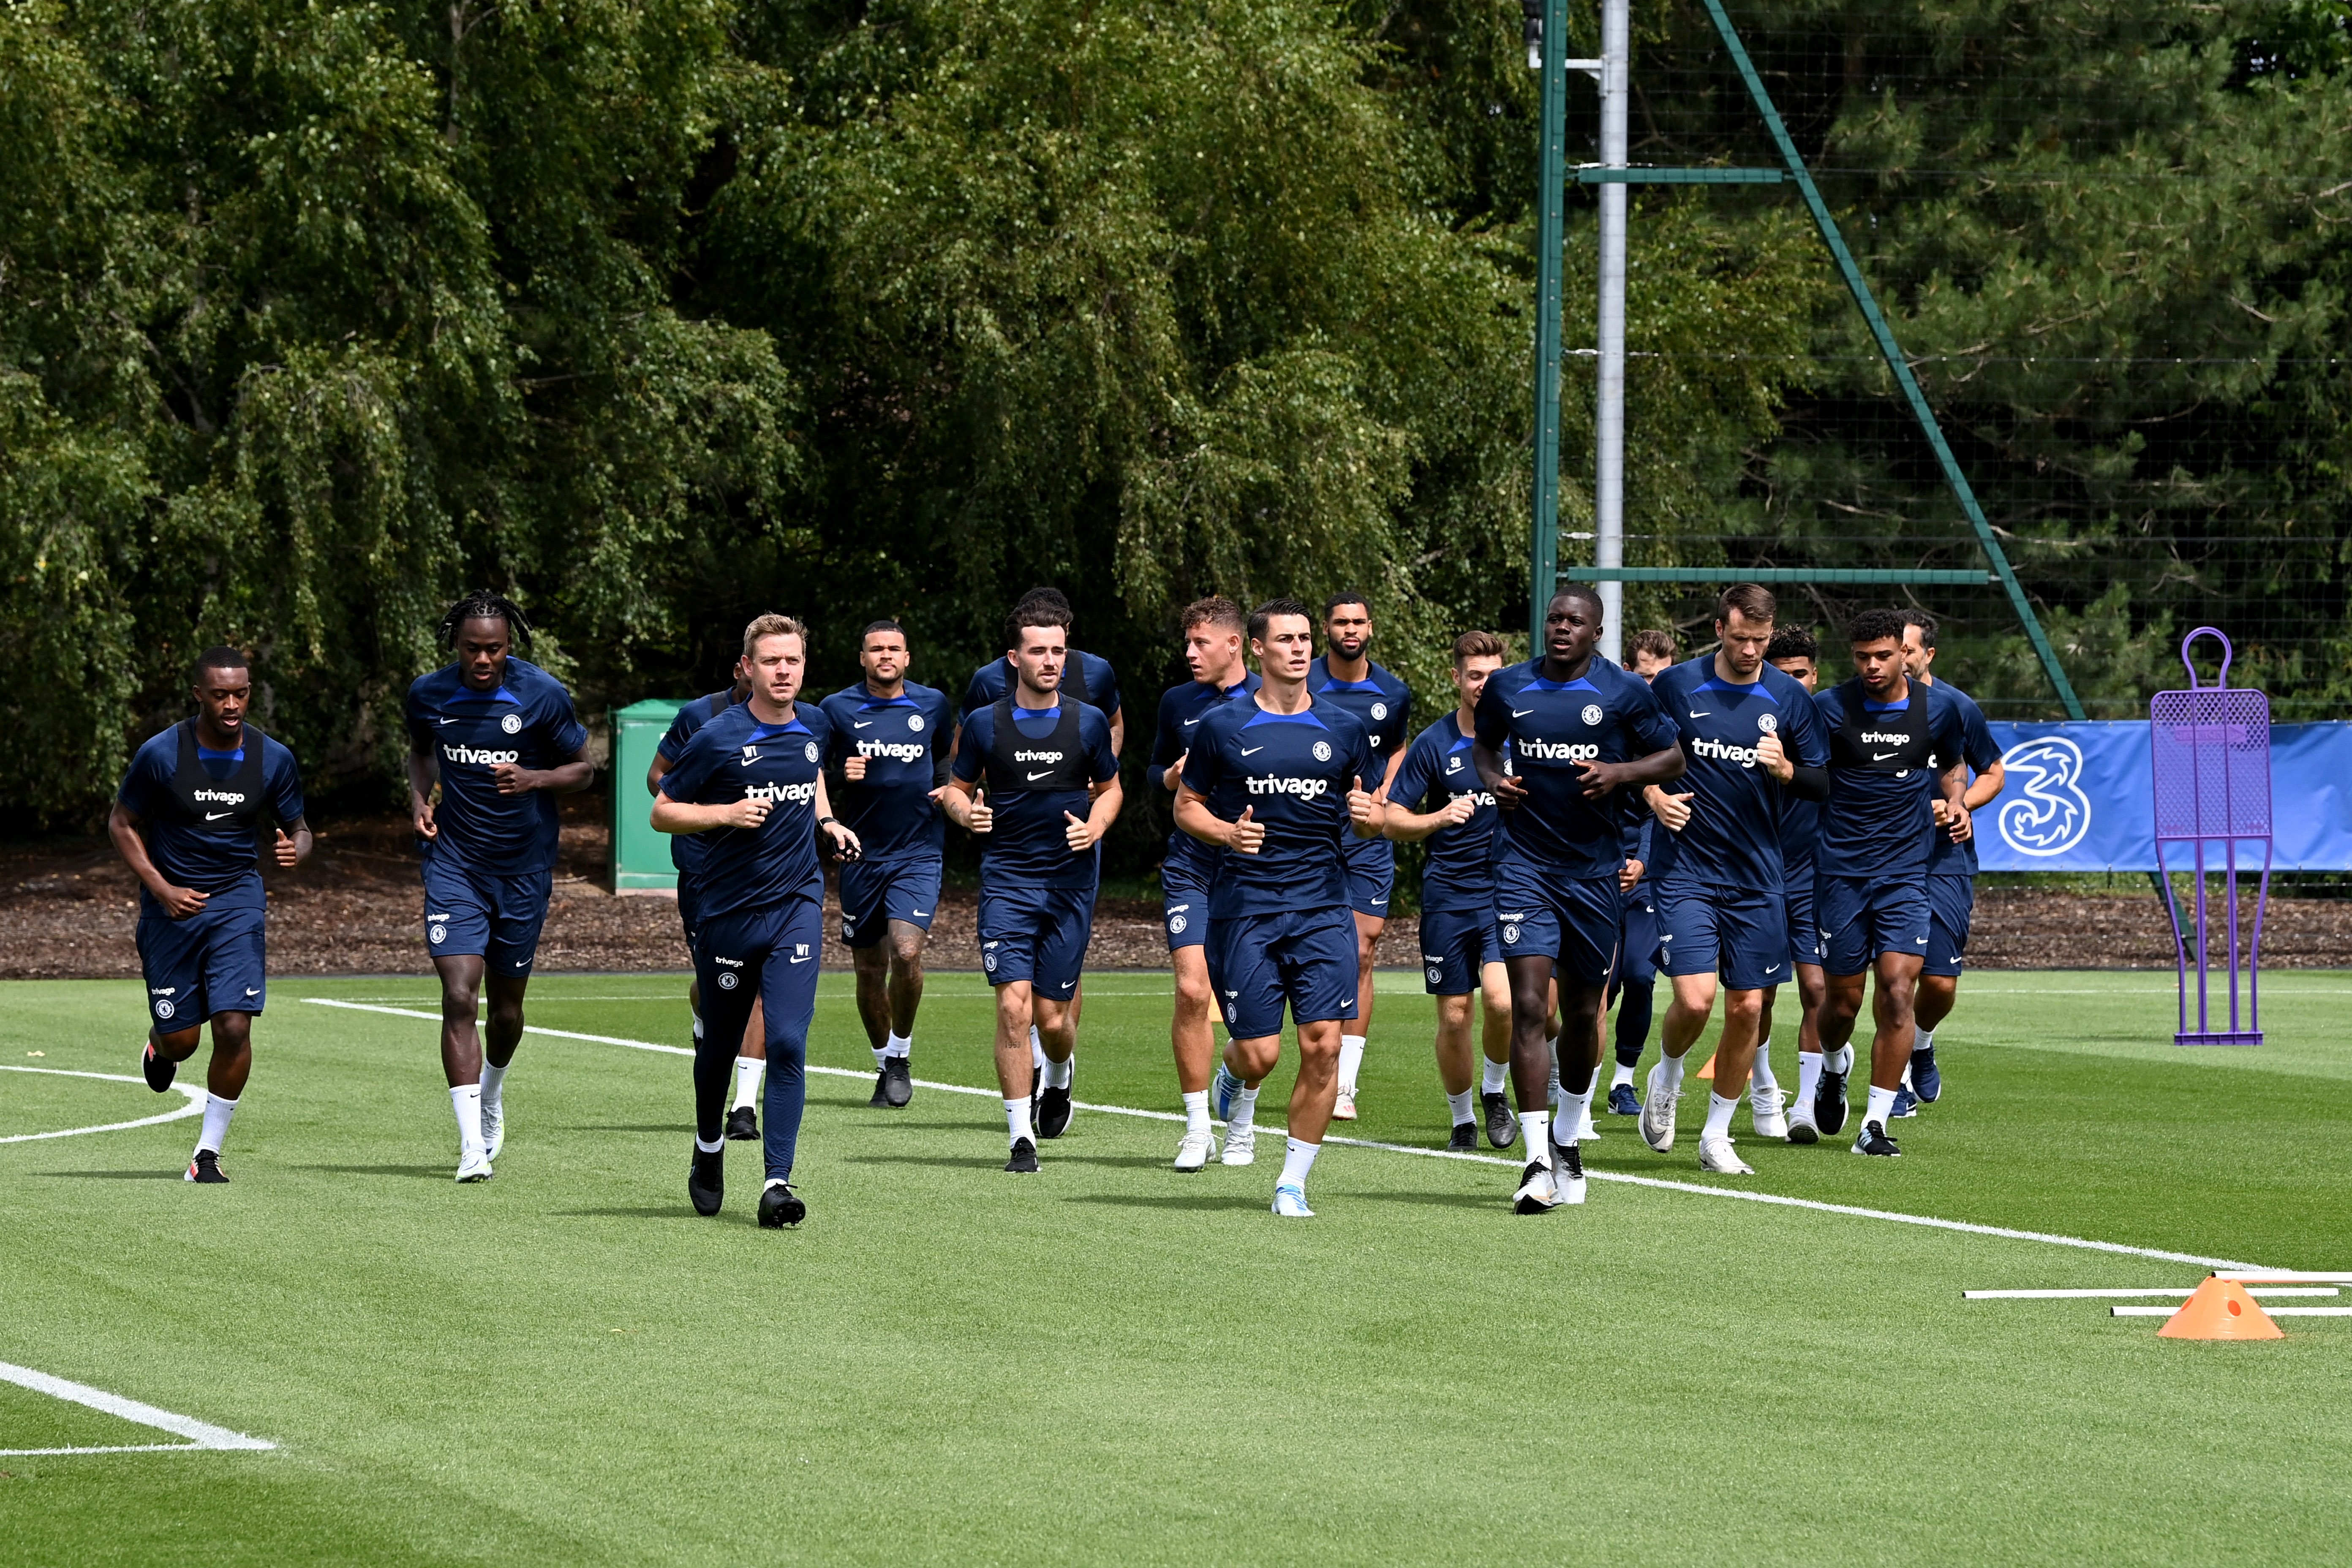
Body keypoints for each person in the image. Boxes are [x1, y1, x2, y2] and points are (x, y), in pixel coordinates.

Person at [1473, 585, 1684, 1213]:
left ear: (1597, 633)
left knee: (1588, 1013)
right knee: (1530, 1005)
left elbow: (1673, 758)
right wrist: (1492, 781)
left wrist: (1620, 774)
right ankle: (1536, 1160)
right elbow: (1485, 745)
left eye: (1576, 622)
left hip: (1595, 874)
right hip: (1523, 866)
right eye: (1555, 619)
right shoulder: (1509, 688)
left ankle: (1568, 1136)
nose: (1562, 628)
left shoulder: (1624, 693)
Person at [654, 615, 861, 1228]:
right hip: (728, 911)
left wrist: (827, 823)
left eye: (792, 661)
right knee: (718, 1050)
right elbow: (663, 812)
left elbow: (812, 773)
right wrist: (725, 813)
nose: (783, 671)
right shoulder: (718, 736)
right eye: (771, 661)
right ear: (748, 668)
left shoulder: (816, 723)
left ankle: (777, 1180)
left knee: (789, 1041)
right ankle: (708, 1149)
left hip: (798, 903)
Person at [1180, 599, 1385, 1216]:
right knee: (1259, 1054)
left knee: (1323, 1045)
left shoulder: (1346, 729)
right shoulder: (1222, 727)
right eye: (1286, 640)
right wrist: (1227, 834)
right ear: (1260, 650)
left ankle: (1292, 1181)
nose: (1298, 649)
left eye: (1304, 639)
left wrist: (1369, 819)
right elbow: (1185, 808)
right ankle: (1235, 1074)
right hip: (1244, 909)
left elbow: (1371, 816)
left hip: (1324, 906)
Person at [1632, 585, 1828, 1173]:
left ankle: (1717, 1134)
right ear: (1719, 628)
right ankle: (1665, 1076)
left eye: (1761, 641)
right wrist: (1654, 795)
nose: (1750, 650)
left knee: (1748, 1009)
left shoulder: (1791, 697)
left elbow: (1821, 782)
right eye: (1740, 638)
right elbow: (1633, 754)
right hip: (1686, 870)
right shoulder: (1676, 686)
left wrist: (1787, 768)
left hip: (1758, 877)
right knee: (1696, 1001)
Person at [404, 592, 592, 1182]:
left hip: (525, 869)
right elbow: (419, 753)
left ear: (510, 646)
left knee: (506, 1011)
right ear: (454, 645)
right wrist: (418, 800)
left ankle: (492, 1092)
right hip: (455, 863)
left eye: (495, 649)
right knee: (460, 993)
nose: (483, 659)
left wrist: (535, 777)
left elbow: (585, 769)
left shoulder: (542, 694)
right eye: (472, 649)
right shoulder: (429, 694)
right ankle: (470, 1148)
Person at [110, 647, 312, 1182]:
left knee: (234, 1025)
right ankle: (161, 1042)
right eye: (220, 694)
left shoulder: (274, 758)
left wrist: (298, 849)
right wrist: (161, 887)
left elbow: (301, 828)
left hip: (237, 901)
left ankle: (206, 1155)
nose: (231, 704)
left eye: (240, 693)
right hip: (171, 908)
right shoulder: (161, 754)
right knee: (185, 1040)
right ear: (198, 693)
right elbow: (122, 823)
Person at [942, 611, 1123, 1173]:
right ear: (1014, 659)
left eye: (1058, 651)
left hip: (1070, 886)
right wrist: (967, 814)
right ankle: (1021, 1138)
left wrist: (1095, 826)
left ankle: (1060, 1074)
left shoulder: (1089, 723)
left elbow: (1112, 789)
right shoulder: (984, 724)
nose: (1050, 661)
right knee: (1012, 1008)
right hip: (1007, 885)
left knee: (1052, 1019)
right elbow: (954, 788)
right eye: (1038, 651)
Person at [1807, 608, 1974, 1157]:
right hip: (1841, 875)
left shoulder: (1939, 709)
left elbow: (1954, 763)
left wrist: (1954, 799)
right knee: (1841, 1005)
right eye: (1862, 658)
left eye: (1883, 655)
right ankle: (1834, 1066)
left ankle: (1874, 1124)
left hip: (1907, 874)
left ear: (1905, 653)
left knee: (1900, 992)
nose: (1873, 666)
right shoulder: (1829, 709)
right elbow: (1806, 775)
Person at [1385, 632, 1516, 1152]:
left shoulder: (1524, 736)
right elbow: (1392, 816)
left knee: (1503, 1005)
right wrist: (1438, 816)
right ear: (1457, 677)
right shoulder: (1435, 743)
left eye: (1494, 674)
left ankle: (1495, 1092)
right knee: (1456, 1013)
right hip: (1449, 894)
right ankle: (1462, 1118)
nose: (1485, 684)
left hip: (1509, 891)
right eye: (1476, 674)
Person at [821, 621, 956, 1110]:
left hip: (918, 852)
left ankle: (900, 1055)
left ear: (907, 657)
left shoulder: (933, 704)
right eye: (876, 649)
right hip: (860, 855)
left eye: (893, 649)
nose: (885, 655)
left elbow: (946, 758)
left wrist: (947, 789)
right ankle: (883, 1063)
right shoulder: (835, 709)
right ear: (862, 657)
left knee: (905, 951)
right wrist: (841, 775)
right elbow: (811, 772)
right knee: (868, 968)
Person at [1147, 596, 1261, 1171]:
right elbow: (1154, 773)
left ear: (1235, 644)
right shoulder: (1177, 703)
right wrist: (1173, 773)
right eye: (1187, 643)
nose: (1190, 653)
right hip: (1192, 865)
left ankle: (1241, 1120)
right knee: (1193, 992)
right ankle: (1198, 1129)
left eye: (1201, 643)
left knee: (1252, 1018)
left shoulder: (1274, 701)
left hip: (1256, 876)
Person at [647, 660, 766, 1141]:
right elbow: (658, 778)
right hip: (705, 871)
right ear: (744, 666)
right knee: (714, 984)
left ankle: (743, 1107)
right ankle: (703, 1018)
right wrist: (714, 812)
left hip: (765, 874)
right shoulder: (700, 715)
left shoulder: (796, 719)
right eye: (765, 661)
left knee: (758, 983)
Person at [1306, 593, 1412, 1121]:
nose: (1350, 630)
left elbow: (1396, 747)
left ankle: (1344, 1084)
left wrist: (1386, 793)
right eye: (1341, 622)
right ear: (1327, 628)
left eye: (1358, 622)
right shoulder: (1304, 682)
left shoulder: (1392, 692)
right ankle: (1294, 1059)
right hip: (1312, 834)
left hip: (1368, 835)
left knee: (1365, 949)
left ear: (1371, 626)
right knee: (1312, 947)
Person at [1896, 610, 2005, 1115]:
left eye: (1907, 650)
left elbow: (1994, 772)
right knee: (1894, 977)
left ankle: (1921, 1042)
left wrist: (1962, 806)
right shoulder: (1861, 709)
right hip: (1883, 861)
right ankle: (1890, 1082)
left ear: (1927, 655)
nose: (1896, 659)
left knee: (1939, 982)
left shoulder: (1957, 708)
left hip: (1944, 861)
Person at [1759, 627, 1834, 1143]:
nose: (1792, 683)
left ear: (1815, 675)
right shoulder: (1746, 723)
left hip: (1814, 876)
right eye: (1781, 674)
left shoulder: (1830, 723)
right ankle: (1764, 1086)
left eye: (1800, 674)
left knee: (1816, 988)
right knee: (1756, 995)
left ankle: (1806, 1102)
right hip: (1755, 876)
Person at [1604, 628, 1679, 1116]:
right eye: (1648, 676)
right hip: (1597, 869)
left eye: (1664, 676)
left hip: (1649, 873)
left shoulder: (1676, 729)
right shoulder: (1607, 722)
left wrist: (1644, 861)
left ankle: (1623, 1081)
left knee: (1640, 975)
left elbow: (1663, 809)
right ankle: (1560, 1069)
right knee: (1595, 984)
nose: (1656, 687)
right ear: (1630, 672)